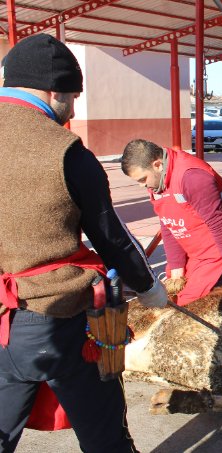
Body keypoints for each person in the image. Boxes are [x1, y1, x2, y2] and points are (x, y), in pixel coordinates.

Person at [0, 34, 167, 452]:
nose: (73, 110)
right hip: (56, 320)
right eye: (72, 97)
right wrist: (149, 287)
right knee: (106, 435)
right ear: (53, 89)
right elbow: (110, 234)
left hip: (4, 318)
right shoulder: (66, 151)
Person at [121, 139, 222, 305]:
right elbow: (168, 222)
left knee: (191, 305)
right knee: (172, 299)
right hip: (199, 253)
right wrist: (176, 266)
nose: (143, 186)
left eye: (142, 179)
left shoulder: (192, 177)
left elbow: (221, 228)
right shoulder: (157, 181)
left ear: (157, 165)